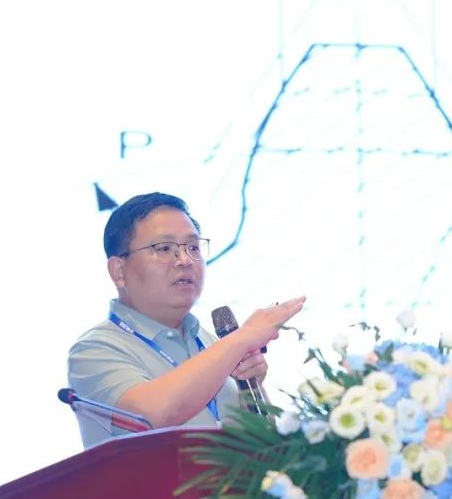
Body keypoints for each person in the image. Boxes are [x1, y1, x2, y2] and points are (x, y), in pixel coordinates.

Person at [68, 192, 305, 448]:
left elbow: (264, 445)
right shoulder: (93, 350)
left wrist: (252, 386)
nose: (185, 260)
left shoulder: (213, 343)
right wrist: (242, 339)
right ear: (119, 271)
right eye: (164, 248)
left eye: (193, 248)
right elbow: (150, 416)